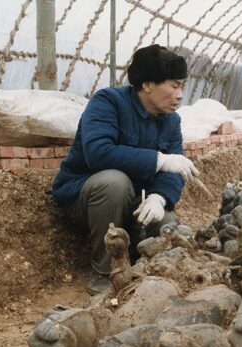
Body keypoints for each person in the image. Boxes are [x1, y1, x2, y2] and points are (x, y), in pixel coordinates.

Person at [52, 44, 199, 295]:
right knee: (114, 182)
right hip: (87, 200)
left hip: (133, 203)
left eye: (182, 86)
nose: (180, 95)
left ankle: (146, 272)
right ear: (147, 84)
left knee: (167, 222)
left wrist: (159, 196)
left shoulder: (171, 121)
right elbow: (98, 153)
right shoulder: (108, 102)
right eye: (174, 85)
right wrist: (160, 160)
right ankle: (104, 273)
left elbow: (175, 172)